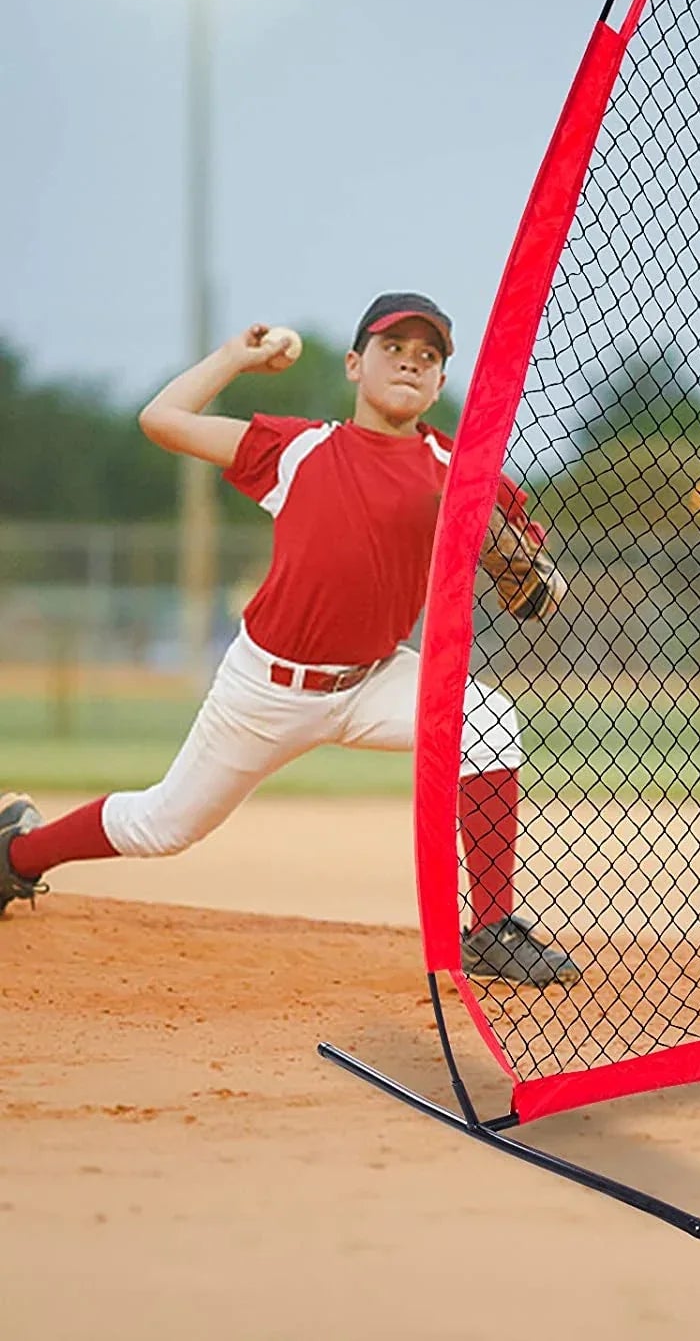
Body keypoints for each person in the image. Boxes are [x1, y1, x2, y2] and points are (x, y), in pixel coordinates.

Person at [0, 292, 578, 988]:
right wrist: (233, 359)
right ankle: (17, 856)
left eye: (428, 357)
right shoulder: (301, 448)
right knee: (163, 826)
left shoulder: (462, 473)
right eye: (394, 349)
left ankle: (490, 932)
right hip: (265, 689)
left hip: (374, 681)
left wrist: (521, 567)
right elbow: (162, 421)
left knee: (488, 721)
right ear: (355, 364)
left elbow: (544, 585)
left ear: (440, 383)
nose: (411, 363)